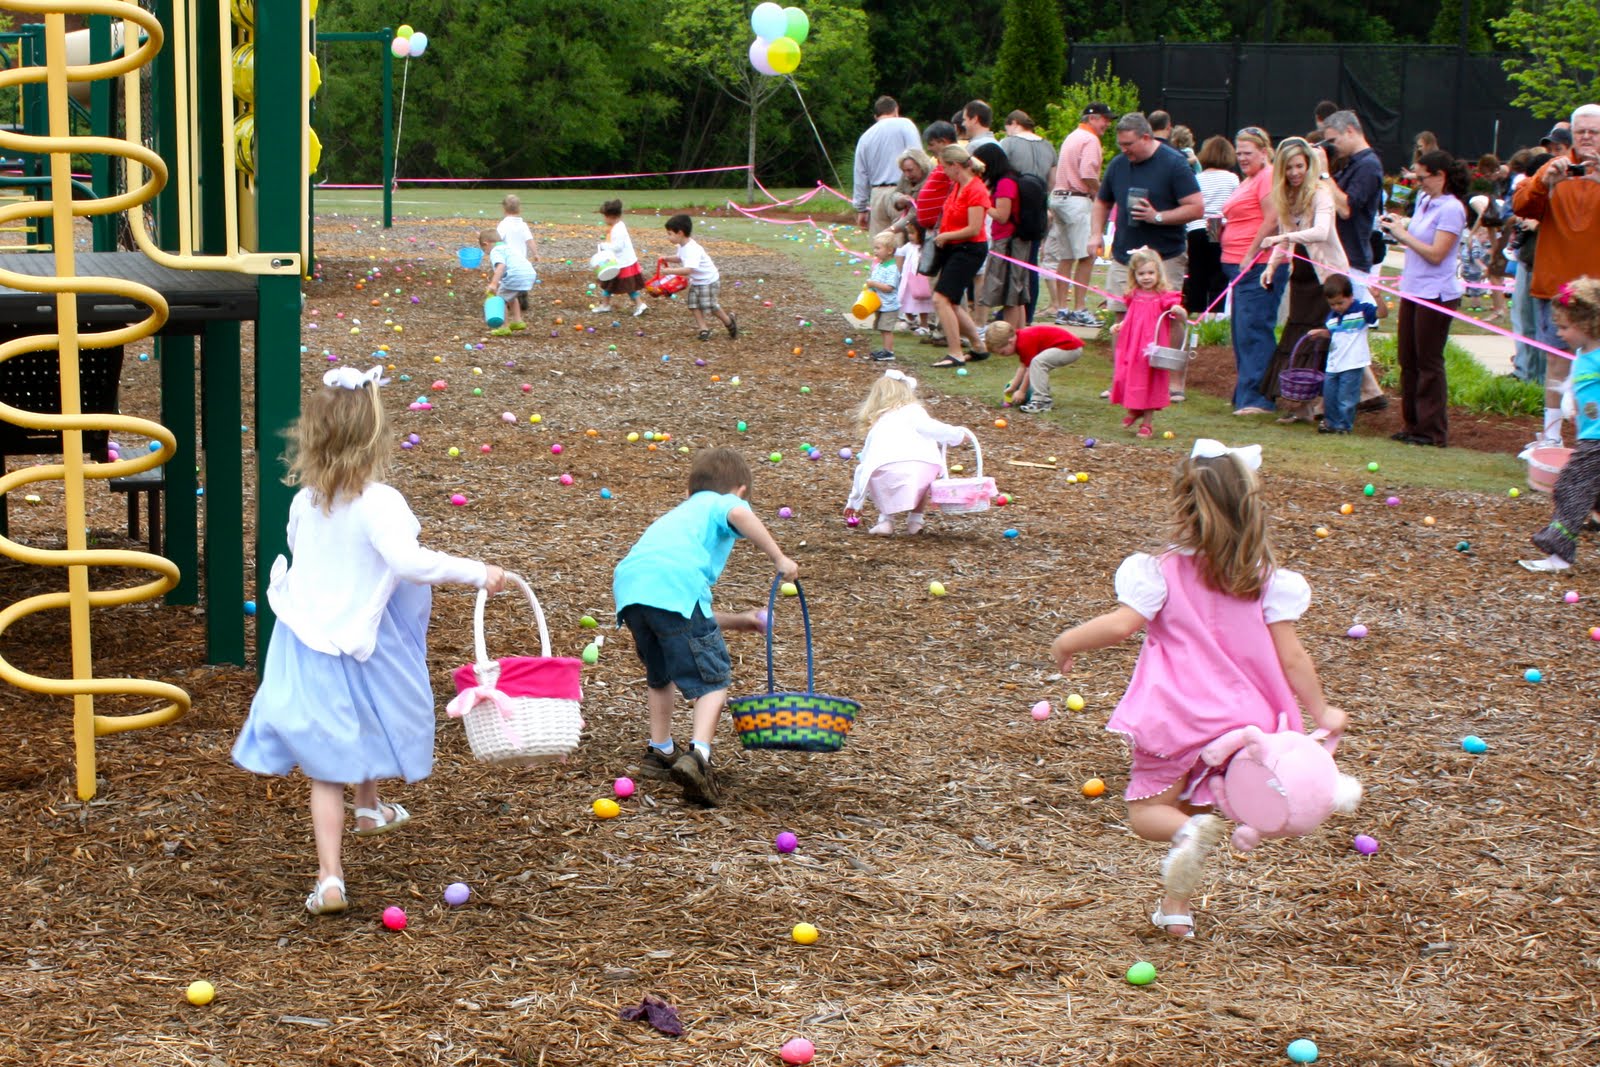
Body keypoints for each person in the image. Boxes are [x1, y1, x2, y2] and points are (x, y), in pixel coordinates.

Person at [232, 365, 507, 915]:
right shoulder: (382, 502)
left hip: (308, 640)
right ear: (375, 435)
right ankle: (345, 847)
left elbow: (308, 553)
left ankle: (341, 857)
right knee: (371, 715)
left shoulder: (306, 500)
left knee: (330, 756)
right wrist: (478, 571)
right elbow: (408, 561)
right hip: (362, 639)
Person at [1048, 440, 1345, 939]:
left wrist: (1067, 641)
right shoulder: (1266, 581)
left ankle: (1182, 844)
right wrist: (1322, 711)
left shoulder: (1158, 571)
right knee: (1201, 811)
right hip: (1242, 722)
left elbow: (1122, 625)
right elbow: (1293, 656)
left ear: (1185, 503)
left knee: (1150, 812)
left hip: (1176, 715)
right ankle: (1176, 908)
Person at [613, 448, 797, 807]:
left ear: (688, 492)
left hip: (630, 587)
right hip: (675, 586)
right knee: (714, 680)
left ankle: (661, 750)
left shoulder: (680, 517)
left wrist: (741, 621)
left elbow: (682, 622)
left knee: (660, 674)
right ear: (740, 490)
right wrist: (779, 557)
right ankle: (699, 756)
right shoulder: (721, 503)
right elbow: (737, 513)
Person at [1513, 105, 1600, 447]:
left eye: (1594, 131)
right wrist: (1544, 184)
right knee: (1556, 361)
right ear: (1572, 133)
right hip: (1558, 284)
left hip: (1597, 289)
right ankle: (1550, 437)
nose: (1588, 138)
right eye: (1581, 132)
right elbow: (1520, 207)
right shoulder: (1554, 168)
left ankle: (1591, 442)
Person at [1381, 149, 1469, 447]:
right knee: (1408, 358)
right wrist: (1398, 224)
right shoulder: (1424, 201)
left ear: (1440, 176)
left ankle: (1432, 430)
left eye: (1422, 178)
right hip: (1413, 289)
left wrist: (1402, 235)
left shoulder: (1452, 209)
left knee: (1429, 361)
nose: (1418, 183)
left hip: (1437, 293)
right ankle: (1411, 423)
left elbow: (1437, 254)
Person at [1259, 137, 1349, 424]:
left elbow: (1321, 232)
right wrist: (1271, 266)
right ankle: (1302, 407)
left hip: (1327, 276)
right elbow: (1285, 237)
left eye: (1299, 166)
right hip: (1302, 274)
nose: (1295, 173)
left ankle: (1328, 406)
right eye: (1289, 168)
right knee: (1298, 335)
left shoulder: (1321, 194)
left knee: (1324, 337)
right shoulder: (1286, 196)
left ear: (1308, 166)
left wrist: (1284, 238)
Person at [1522, 278, 1600, 572]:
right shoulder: (1583, 356)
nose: (1559, 333)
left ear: (1588, 325)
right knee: (1590, 489)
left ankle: (1559, 552)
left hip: (1596, 441)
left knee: (1571, 486)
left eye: (1565, 327)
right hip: (1589, 436)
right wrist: (1572, 402)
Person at [844, 368, 968, 536]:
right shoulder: (914, 411)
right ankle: (915, 521)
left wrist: (854, 502)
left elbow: (864, 465)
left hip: (887, 469)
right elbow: (935, 429)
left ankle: (886, 521)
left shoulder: (879, 425)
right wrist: (958, 436)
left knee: (879, 477)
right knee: (923, 481)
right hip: (920, 467)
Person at [1322, 110, 1391, 411]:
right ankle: (1370, 393)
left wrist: (1324, 174)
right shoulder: (1353, 163)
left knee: (1350, 331)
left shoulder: (1368, 166)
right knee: (1345, 329)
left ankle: (1345, 405)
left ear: (1351, 130)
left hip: (1354, 259)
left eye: (1334, 141)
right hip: (1343, 256)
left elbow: (1347, 208)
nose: (1332, 148)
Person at [1218, 126, 1283, 415]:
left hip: (1258, 266)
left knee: (1255, 330)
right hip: (1239, 266)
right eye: (1239, 153)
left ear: (1264, 152)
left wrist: (1250, 253)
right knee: (1242, 331)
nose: (1242, 158)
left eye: (1248, 153)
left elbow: (1272, 219)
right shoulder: (1249, 180)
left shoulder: (1267, 177)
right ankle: (1245, 392)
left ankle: (1259, 398)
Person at [1110, 246, 1186, 437]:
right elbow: (1131, 316)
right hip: (1133, 345)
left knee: (1150, 380)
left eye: (1151, 273)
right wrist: (1121, 325)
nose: (1146, 277)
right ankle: (1135, 409)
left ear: (1158, 273)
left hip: (1152, 347)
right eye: (1141, 273)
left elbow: (1176, 311)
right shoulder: (1133, 295)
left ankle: (1147, 422)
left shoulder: (1163, 297)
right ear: (1134, 275)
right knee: (1127, 376)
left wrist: (1179, 311)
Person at [1050, 102, 1113, 327]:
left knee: (1066, 256)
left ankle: (1062, 309)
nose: (1107, 123)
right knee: (1088, 255)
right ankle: (1079, 309)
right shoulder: (1090, 139)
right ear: (1092, 118)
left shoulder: (1072, 136)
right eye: (1104, 119)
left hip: (1059, 197)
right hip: (1076, 199)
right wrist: (1103, 195)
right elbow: (1088, 174)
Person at [929, 145, 993, 368]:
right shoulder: (958, 186)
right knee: (953, 301)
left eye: (944, 167)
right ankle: (978, 345)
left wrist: (947, 235)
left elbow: (974, 228)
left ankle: (955, 351)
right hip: (955, 248)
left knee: (941, 299)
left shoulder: (976, 189)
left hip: (969, 249)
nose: (943, 172)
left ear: (955, 166)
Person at [1306, 273, 1387, 434]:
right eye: (1332, 304)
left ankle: (1344, 425)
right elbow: (1333, 333)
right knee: (1330, 396)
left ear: (1350, 296)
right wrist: (1321, 333)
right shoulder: (1333, 317)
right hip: (1334, 364)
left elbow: (1382, 314)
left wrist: (1378, 298)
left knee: (1347, 398)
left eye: (1340, 303)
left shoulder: (1362, 311)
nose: (1336, 307)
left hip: (1352, 363)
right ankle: (1330, 423)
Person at [1001, 110, 1056, 322]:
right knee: (1031, 262)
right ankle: (1028, 312)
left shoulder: (1009, 143)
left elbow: (1001, 176)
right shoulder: (1048, 145)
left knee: (1011, 260)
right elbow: (1052, 182)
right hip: (1038, 207)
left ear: (1013, 123)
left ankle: (1011, 310)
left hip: (1015, 207)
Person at [1508, 150, 1554, 384]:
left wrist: (1539, 226)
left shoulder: (1562, 193)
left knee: (1545, 328)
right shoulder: (1531, 194)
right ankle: (1524, 373)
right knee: (1523, 322)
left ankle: (1543, 380)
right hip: (1526, 263)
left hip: (1547, 269)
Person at [973, 142, 1029, 331]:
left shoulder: (1005, 183)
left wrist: (983, 203)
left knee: (1010, 293)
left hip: (1008, 241)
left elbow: (1002, 215)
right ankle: (1019, 332)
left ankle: (1009, 334)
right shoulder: (1010, 179)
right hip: (1011, 239)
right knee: (1016, 290)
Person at [1182, 135, 1239, 317]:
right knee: (1217, 272)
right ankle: (1216, 312)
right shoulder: (1231, 179)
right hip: (1217, 224)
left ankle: (1195, 312)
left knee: (1197, 272)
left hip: (1196, 226)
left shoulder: (1197, 178)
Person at [661, 214, 738, 342]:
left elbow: (688, 269)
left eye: (669, 234)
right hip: (697, 281)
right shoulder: (682, 246)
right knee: (693, 305)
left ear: (680, 233)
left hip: (708, 281)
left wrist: (670, 271)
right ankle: (703, 328)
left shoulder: (692, 249)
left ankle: (729, 322)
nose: (668, 237)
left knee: (710, 306)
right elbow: (680, 258)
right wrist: (667, 258)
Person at [852, 96, 922, 235]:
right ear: (896, 110)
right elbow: (917, 157)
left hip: (877, 196)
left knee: (881, 246)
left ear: (875, 116)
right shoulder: (905, 124)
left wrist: (861, 208)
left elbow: (860, 174)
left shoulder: (865, 136)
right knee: (902, 245)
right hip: (902, 191)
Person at [983, 320, 1085, 414]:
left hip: (1069, 348)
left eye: (1003, 352)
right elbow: (1022, 367)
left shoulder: (1024, 342)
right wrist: (1013, 387)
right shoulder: (1020, 339)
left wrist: (1022, 391)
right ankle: (1042, 395)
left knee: (1037, 363)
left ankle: (1041, 402)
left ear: (1010, 341)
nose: (1003, 356)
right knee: (1037, 363)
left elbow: (1029, 369)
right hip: (1068, 347)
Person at [592, 199, 647, 317]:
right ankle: (605, 305)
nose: (604, 219)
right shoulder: (617, 226)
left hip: (623, 263)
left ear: (610, 216)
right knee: (608, 283)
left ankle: (639, 304)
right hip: (617, 262)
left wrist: (603, 246)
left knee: (628, 286)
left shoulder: (618, 229)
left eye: (604, 216)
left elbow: (618, 247)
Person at [479, 227, 534, 336]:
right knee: (511, 295)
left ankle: (504, 327)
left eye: (485, 251)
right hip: (529, 273)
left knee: (500, 298)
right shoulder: (507, 248)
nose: (487, 253)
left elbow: (501, 266)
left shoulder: (495, 251)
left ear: (486, 244)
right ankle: (518, 321)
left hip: (516, 275)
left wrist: (493, 284)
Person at [863, 230, 903, 361]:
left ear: (890, 250)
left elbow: (889, 287)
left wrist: (873, 283)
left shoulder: (892, 268)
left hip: (889, 306)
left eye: (878, 248)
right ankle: (885, 350)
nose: (875, 251)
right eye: (874, 248)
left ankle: (889, 352)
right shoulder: (880, 264)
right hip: (881, 304)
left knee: (886, 329)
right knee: (881, 328)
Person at [896, 219, 935, 335]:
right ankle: (910, 319)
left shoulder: (925, 248)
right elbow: (899, 252)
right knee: (904, 299)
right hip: (908, 281)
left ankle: (924, 325)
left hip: (921, 281)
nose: (910, 236)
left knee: (922, 302)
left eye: (912, 233)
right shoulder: (908, 246)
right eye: (908, 233)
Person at [497, 193, 538, 263]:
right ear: (519, 209)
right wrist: (536, 254)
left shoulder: (503, 224)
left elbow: (496, 239)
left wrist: (483, 236)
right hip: (521, 261)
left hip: (508, 260)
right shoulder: (523, 225)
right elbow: (530, 241)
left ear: (504, 209)